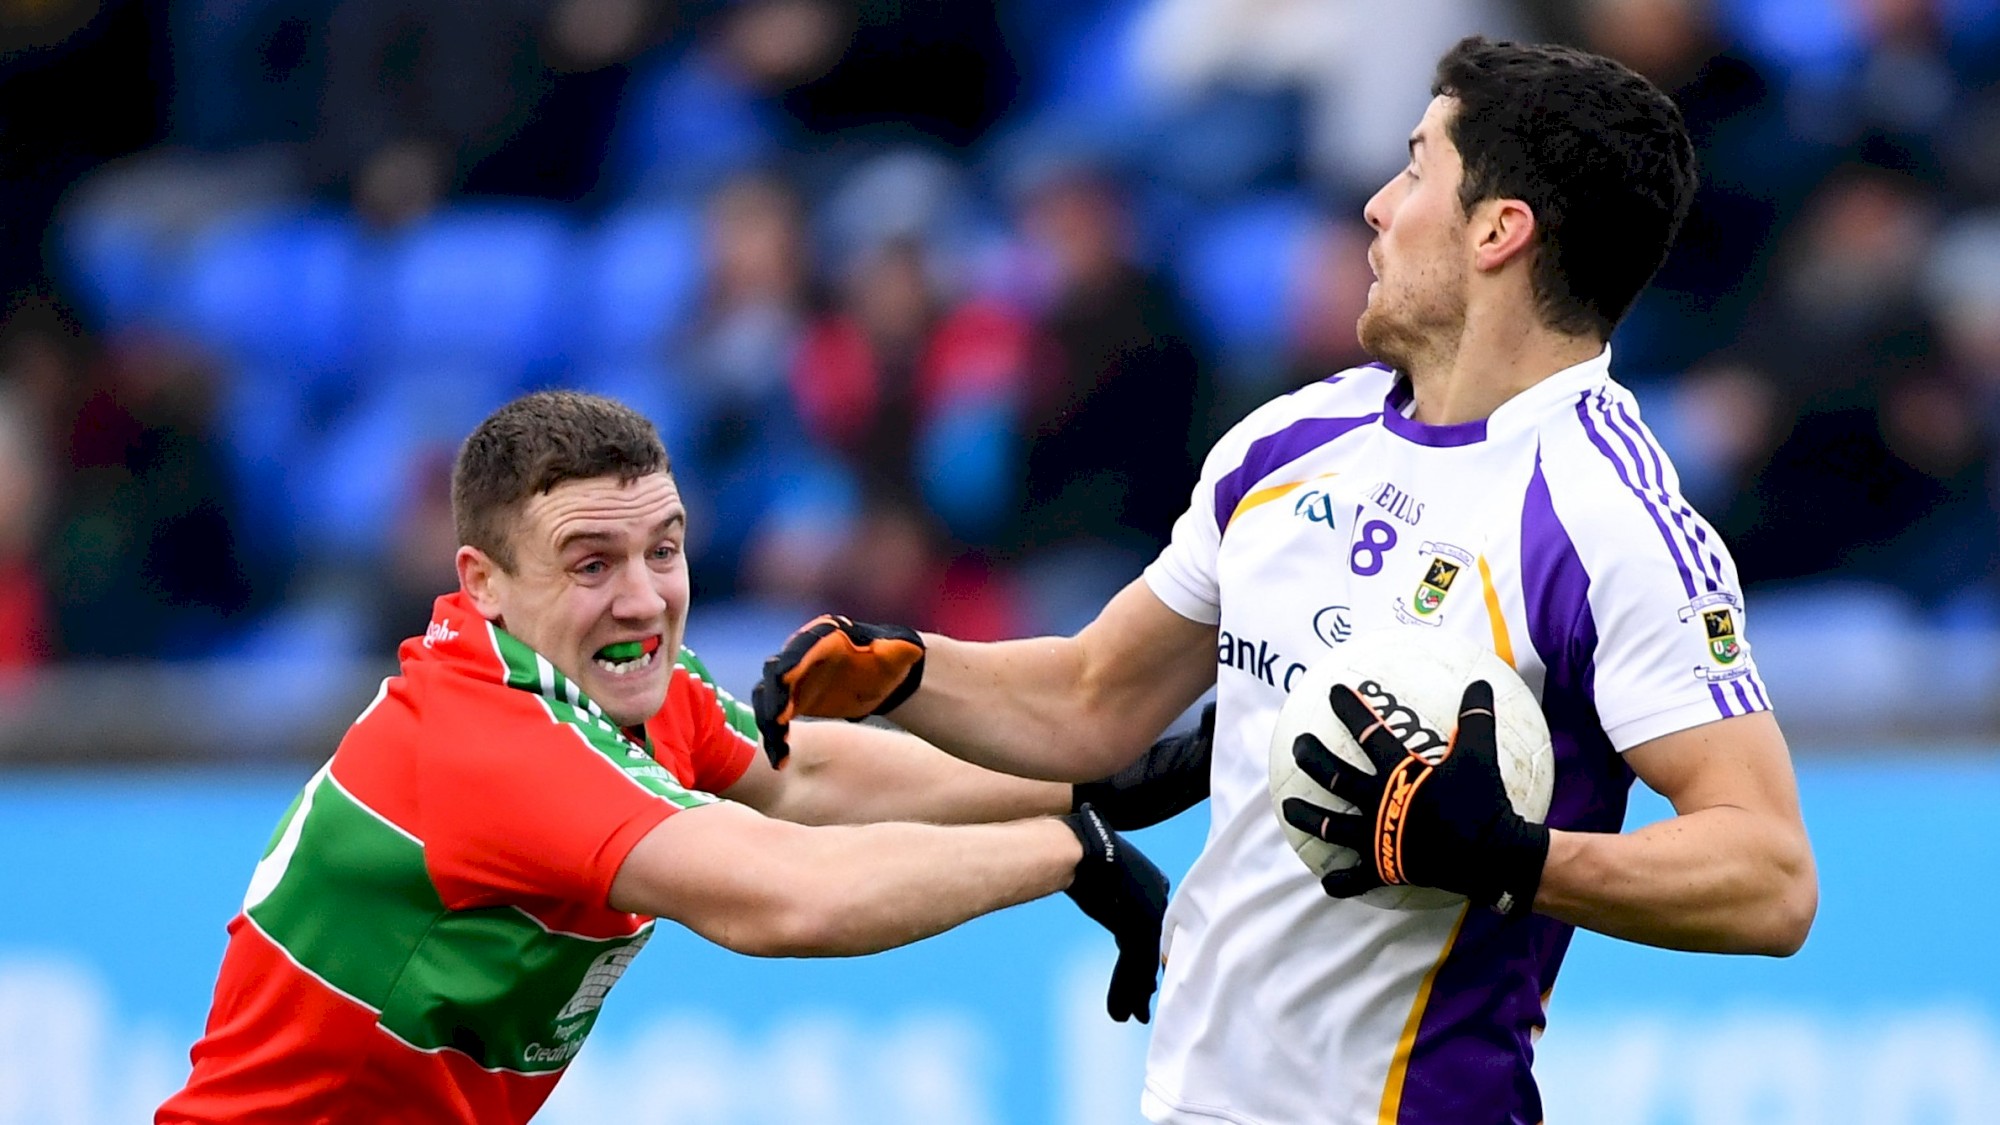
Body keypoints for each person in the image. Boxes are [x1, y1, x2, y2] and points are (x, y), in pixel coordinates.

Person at [754, 37, 1819, 1125]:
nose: (1373, 206)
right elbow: (1091, 700)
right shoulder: (1292, 439)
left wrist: (1510, 855)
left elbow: (1770, 876)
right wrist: (905, 675)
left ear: (1498, 232)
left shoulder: (1604, 522)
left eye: (1414, 171)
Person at [156, 389, 1201, 1124]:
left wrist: (1097, 777)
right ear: (483, 582)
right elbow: (789, 899)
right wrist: (1070, 850)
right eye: (591, 563)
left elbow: (806, 776)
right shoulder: (495, 743)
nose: (645, 599)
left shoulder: (603, 678)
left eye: (663, 549)